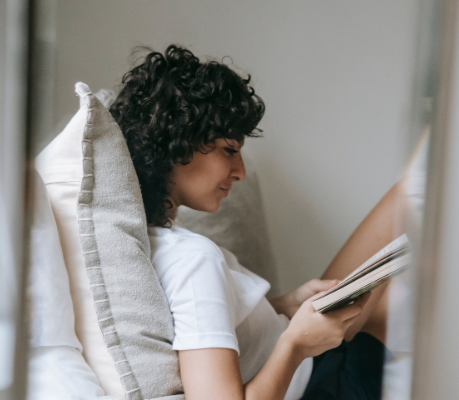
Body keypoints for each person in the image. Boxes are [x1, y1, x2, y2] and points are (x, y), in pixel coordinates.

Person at [110, 45, 405, 400]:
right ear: (176, 146)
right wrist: (296, 344)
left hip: (320, 367)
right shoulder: (193, 260)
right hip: (323, 385)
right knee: (413, 208)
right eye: (229, 151)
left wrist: (286, 305)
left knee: (408, 209)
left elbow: (211, 321)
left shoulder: (163, 244)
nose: (241, 172)